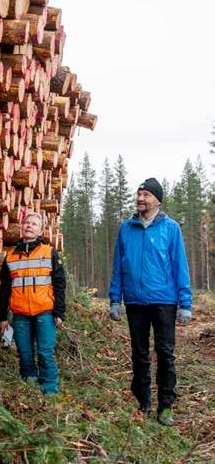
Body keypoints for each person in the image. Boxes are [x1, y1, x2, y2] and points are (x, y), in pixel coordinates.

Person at [109, 177, 192, 426]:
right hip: (135, 302)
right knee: (139, 355)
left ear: (157, 199)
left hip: (164, 301)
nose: (140, 198)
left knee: (165, 354)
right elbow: (117, 266)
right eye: (139, 194)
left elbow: (180, 266)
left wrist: (185, 302)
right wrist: (115, 298)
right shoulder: (126, 228)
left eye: (145, 194)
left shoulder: (170, 228)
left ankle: (166, 406)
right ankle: (142, 403)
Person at [0, 212, 66, 396]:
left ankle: (50, 391)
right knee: (25, 354)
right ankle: (30, 390)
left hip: (45, 312)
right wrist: (2, 317)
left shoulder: (49, 252)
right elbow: (5, 288)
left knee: (45, 353)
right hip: (20, 314)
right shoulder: (10, 257)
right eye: (27, 223)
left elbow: (59, 283)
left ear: (40, 230)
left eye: (34, 224)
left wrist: (59, 312)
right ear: (22, 226)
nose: (29, 226)